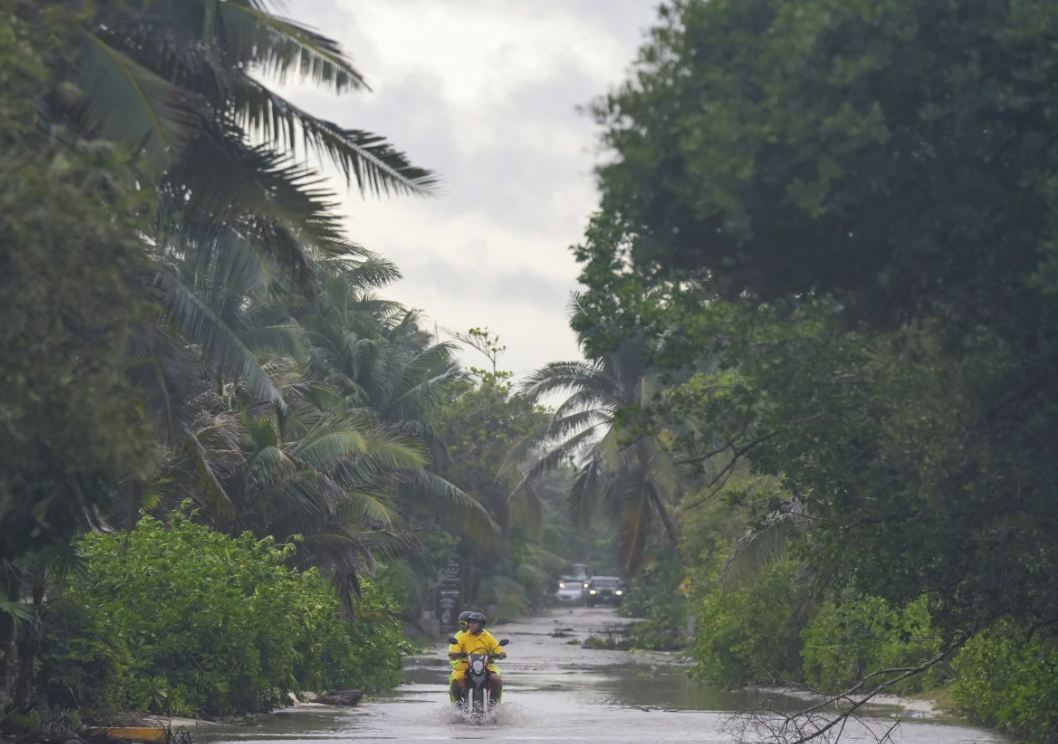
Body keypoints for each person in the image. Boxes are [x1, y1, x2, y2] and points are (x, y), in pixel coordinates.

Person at [448, 612, 506, 704]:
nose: (471, 625)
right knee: (455, 681)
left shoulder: (488, 637)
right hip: (465, 666)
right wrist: (455, 653)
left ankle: (493, 706)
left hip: (485, 666)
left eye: (474, 623)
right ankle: (458, 705)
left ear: (481, 625)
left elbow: (497, 648)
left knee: (497, 680)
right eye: (470, 623)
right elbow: (456, 648)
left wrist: (501, 654)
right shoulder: (463, 637)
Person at [447, 611, 474, 701]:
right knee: (453, 679)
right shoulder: (459, 636)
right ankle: (457, 704)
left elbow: (494, 647)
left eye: (463, 624)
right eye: (460, 624)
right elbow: (453, 650)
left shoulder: (485, 635)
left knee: (497, 677)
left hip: (482, 664)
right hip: (462, 664)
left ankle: (495, 704)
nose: (461, 626)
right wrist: (455, 655)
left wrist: (497, 654)